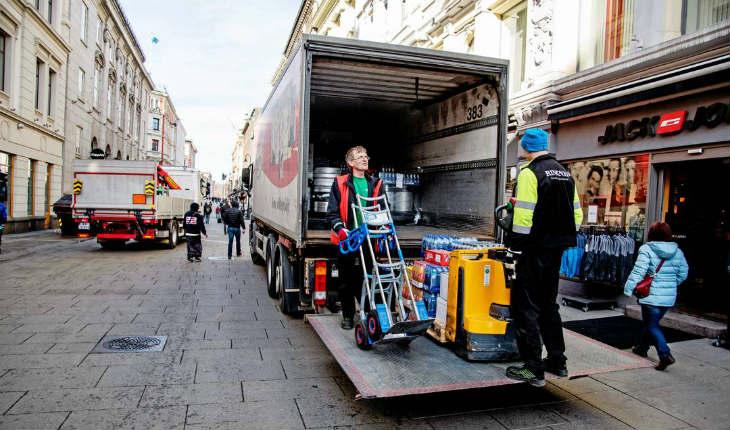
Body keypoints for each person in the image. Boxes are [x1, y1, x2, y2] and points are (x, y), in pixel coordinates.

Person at [506, 128, 583, 387]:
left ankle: (533, 368)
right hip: (556, 251)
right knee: (549, 305)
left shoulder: (529, 173)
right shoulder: (565, 173)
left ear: (527, 147)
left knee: (526, 307)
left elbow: (525, 217)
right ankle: (557, 361)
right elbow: (577, 216)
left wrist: (515, 247)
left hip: (534, 250)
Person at [326, 145, 384, 330]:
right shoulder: (340, 183)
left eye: (366, 156)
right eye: (359, 157)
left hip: (368, 238)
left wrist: (382, 225)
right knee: (346, 280)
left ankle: (368, 313)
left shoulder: (376, 184)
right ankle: (348, 316)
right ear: (350, 163)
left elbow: (383, 209)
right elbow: (332, 212)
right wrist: (341, 229)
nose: (365, 159)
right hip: (349, 239)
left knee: (368, 277)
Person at [624, 222, 688, 370]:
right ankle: (642, 348)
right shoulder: (677, 251)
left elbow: (638, 271)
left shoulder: (646, 249)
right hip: (668, 298)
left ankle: (665, 354)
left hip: (650, 295)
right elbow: (683, 273)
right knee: (651, 324)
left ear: (651, 234)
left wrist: (628, 289)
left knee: (652, 325)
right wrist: (671, 284)